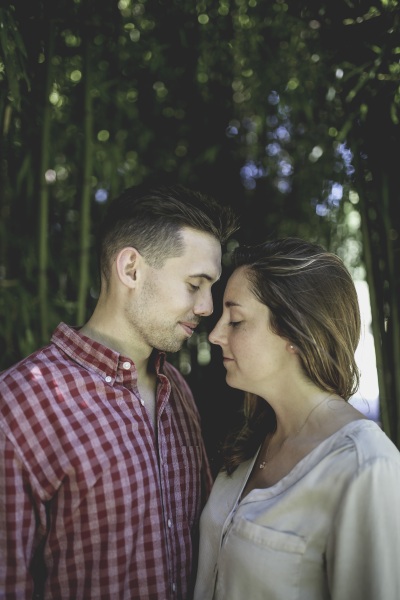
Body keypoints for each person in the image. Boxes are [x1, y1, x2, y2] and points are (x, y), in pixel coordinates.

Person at [0, 183, 239, 600]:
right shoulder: (21, 405)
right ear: (131, 269)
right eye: (195, 283)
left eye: (211, 288)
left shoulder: (176, 391)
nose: (207, 307)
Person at [194, 237, 400, 600]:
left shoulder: (365, 465)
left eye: (236, 320)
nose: (215, 334)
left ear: (294, 332)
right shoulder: (251, 443)